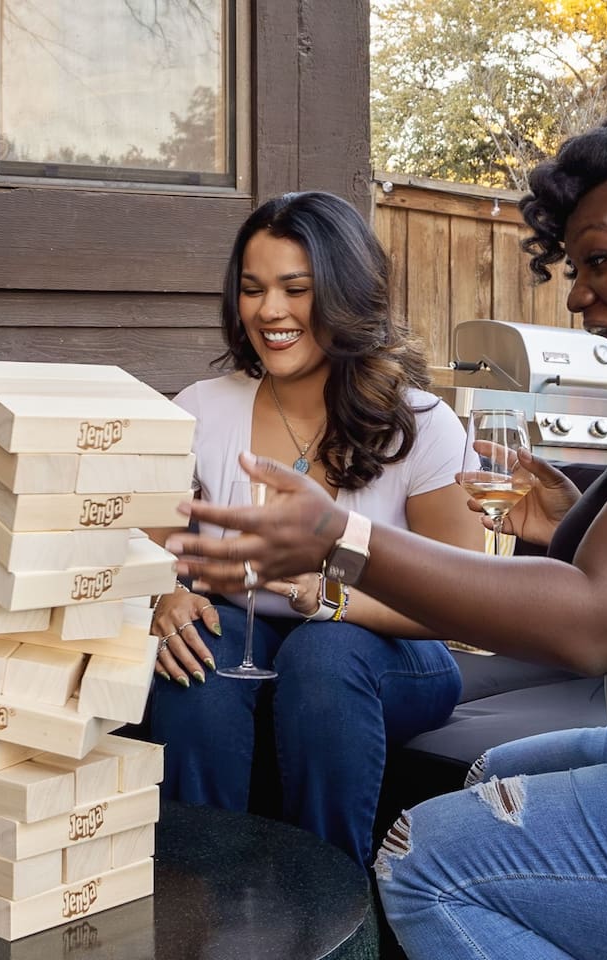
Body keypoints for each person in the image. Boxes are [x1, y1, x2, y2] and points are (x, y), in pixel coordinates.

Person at [165, 113, 607, 958]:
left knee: (426, 862)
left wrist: (339, 537)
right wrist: (566, 517)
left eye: (600, 262)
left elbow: (595, 624)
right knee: (488, 778)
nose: (577, 295)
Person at [147, 191, 485, 869]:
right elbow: (149, 550)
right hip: (251, 631)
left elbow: (459, 599)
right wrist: (164, 599)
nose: (269, 311)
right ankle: (195, 907)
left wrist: (327, 599)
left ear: (345, 294)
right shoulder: (201, 411)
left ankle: (330, 906)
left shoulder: (420, 425)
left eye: (294, 289)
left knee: (323, 654)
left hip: (392, 650)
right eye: (252, 289)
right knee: (197, 665)